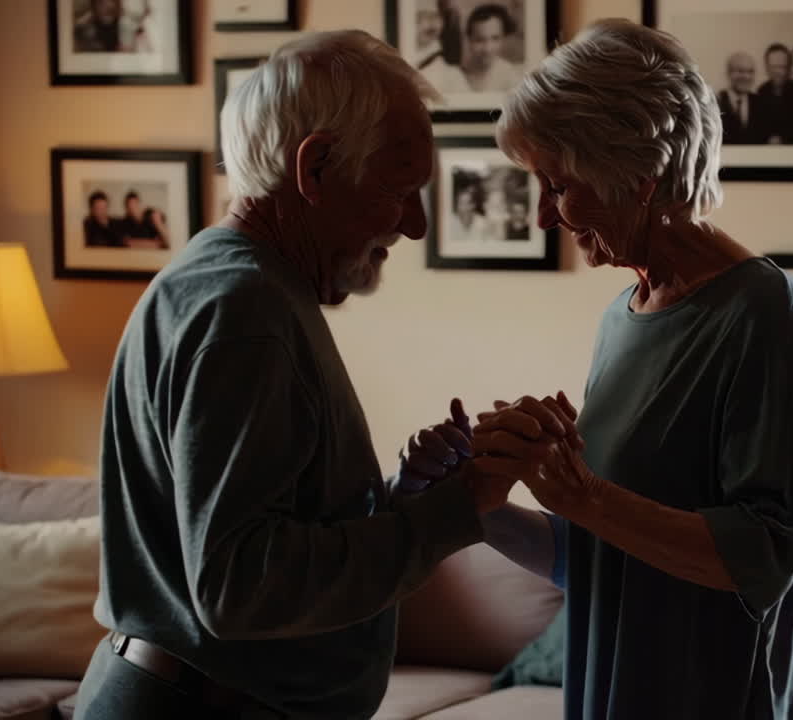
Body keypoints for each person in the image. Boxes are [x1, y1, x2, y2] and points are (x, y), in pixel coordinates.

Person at [73, 30, 521, 720]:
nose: (416, 223)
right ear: (315, 169)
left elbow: (266, 535)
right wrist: (451, 513)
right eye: (400, 190)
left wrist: (399, 499)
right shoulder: (245, 312)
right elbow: (240, 586)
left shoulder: (231, 283)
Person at [400, 19, 793, 720]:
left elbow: (765, 555)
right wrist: (481, 505)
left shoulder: (764, 312)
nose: (544, 214)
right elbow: (597, 557)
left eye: (558, 185)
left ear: (639, 176)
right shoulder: (622, 314)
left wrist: (583, 496)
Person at [424, 4, 523, 93]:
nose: (487, 49)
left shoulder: (509, 75)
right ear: (469, 39)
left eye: (495, 38)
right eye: (479, 40)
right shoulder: (451, 75)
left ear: (503, 38)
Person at [717, 52, 766, 145]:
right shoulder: (716, 103)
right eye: (740, 71)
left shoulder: (762, 104)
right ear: (728, 73)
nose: (746, 76)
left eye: (750, 72)